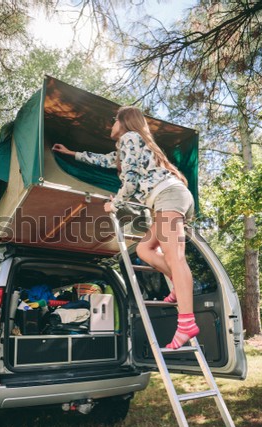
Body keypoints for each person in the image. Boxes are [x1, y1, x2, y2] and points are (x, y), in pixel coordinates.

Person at [52, 106, 199, 349]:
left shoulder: (130, 137)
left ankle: (186, 323)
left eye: (114, 121)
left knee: (176, 258)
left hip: (169, 196)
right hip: (167, 199)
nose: (112, 126)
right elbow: (103, 160)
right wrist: (71, 153)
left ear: (124, 122)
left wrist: (115, 205)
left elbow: (130, 181)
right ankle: (178, 284)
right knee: (145, 250)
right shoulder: (128, 146)